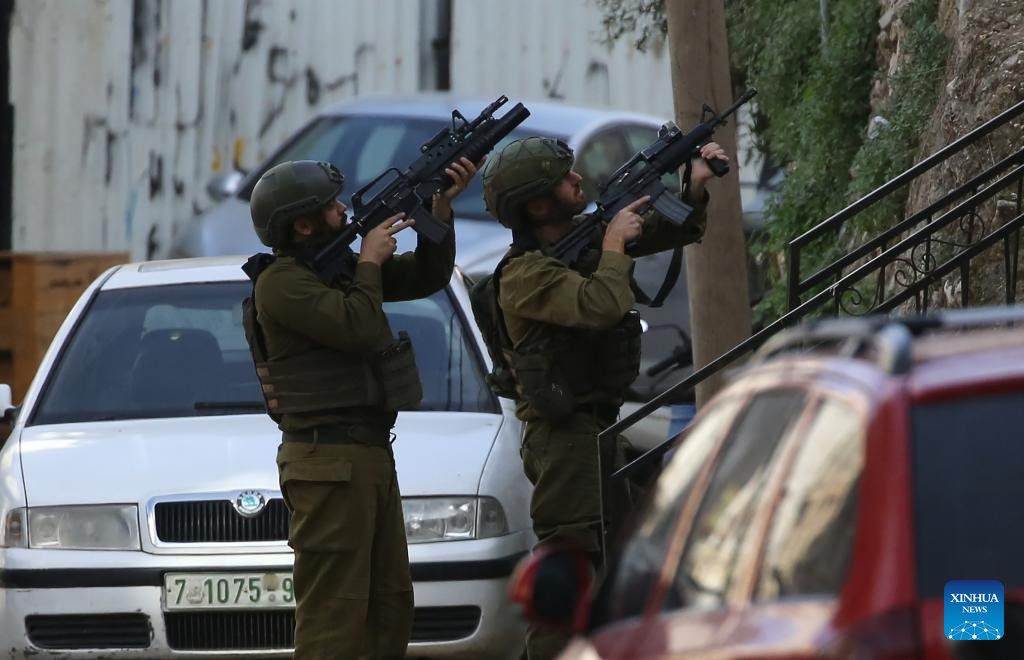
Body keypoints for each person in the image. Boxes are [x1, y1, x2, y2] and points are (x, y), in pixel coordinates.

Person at [479, 137, 726, 660]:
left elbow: (664, 228)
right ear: (539, 205)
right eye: (565, 180)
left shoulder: (581, 240)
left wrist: (695, 185)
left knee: (617, 566)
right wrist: (613, 245)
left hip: (599, 430)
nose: (579, 183)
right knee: (568, 578)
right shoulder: (523, 274)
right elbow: (599, 304)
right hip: (562, 439)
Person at [241, 157, 478, 659]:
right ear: (302, 224)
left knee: (389, 606)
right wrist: (369, 261)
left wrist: (440, 208)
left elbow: (426, 276)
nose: (343, 210)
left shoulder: (334, 269)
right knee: (336, 615)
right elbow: (358, 326)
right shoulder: (281, 283)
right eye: (330, 206)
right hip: (327, 464)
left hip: (366, 455)